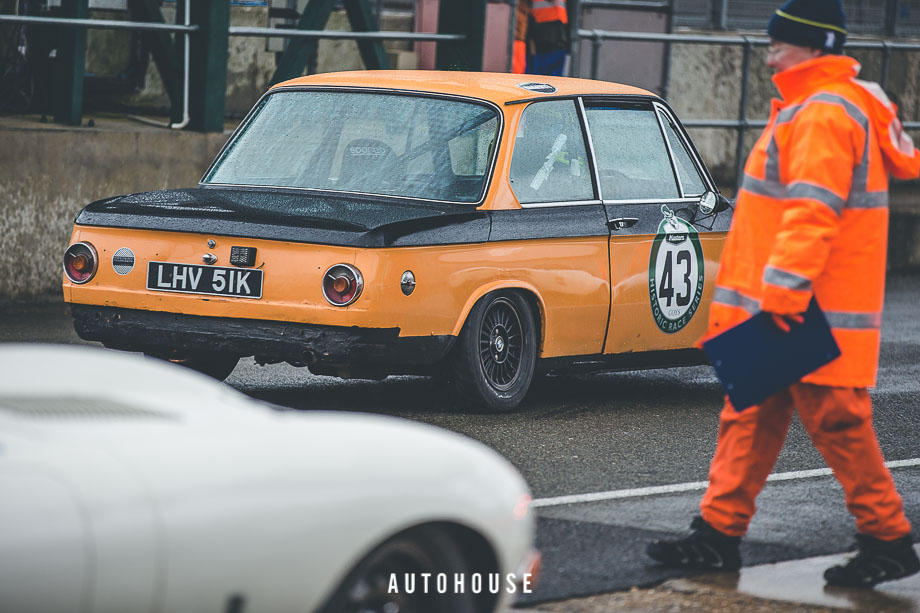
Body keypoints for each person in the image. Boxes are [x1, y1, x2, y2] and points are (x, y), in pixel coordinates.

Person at [646, 0, 920, 588]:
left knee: (835, 422)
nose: (769, 49)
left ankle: (887, 537)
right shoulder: (817, 107)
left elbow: (811, 216)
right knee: (748, 415)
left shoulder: (821, 113)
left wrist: (783, 297)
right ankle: (719, 533)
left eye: (781, 41)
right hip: (798, 306)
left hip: (800, 307)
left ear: (816, 46)